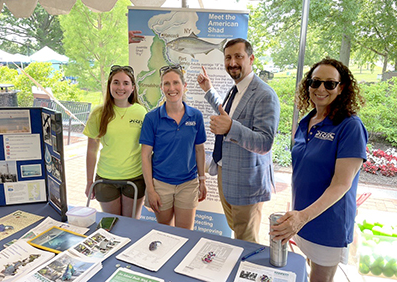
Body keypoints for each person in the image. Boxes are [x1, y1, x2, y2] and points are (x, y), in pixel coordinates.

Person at [270, 57, 368, 282]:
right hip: (302, 218)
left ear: (341, 88)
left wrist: (302, 217)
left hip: (327, 224)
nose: (320, 88)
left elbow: (342, 184)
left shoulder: (350, 126)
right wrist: (297, 215)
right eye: (315, 82)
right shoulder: (307, 121)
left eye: (329, 84)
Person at [197, 38, 280, 243]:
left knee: (246, 238)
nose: (232, 62)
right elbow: (229, 114)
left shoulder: (264, 95)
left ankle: (247, 273)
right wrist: (209, 91)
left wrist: (231, 128)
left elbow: (264, 142)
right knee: (237, 230)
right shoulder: (236, 89)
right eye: (228, 57)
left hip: (247, 181)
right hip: (226, 174)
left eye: (238, 56)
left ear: (251, 59)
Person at [140, 65, 207, 230]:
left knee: (186, 233)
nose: (172, 88)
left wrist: (202, 180)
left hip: (188, 184)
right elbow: (145, 156)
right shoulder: (151, 118)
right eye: (166, 84)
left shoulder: (196, 116)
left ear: (184, 86)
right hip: (161, 184)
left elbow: (199, 150)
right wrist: (151, 189)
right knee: (166, 232)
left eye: (176, 83)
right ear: (161, 87)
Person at [84, 65, 147, 218]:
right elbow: (91, 150)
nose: (121, 87)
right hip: (106, 180)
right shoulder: (99, 113)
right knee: (113, 224)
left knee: (131, 225)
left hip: (135, 178)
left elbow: (148, 151)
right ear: (109, 86)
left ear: (132, 88)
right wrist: (89, 181)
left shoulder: (141, 112)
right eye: (116, 82)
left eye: (126, 83)